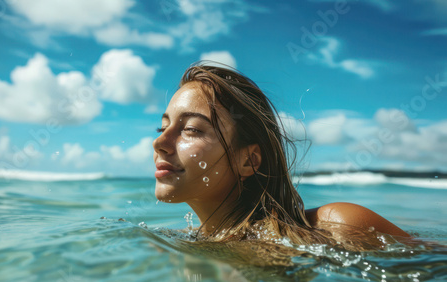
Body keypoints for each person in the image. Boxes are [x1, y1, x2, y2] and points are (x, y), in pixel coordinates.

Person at [152, 62, 410, 250]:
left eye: (191, 130)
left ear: (249, 160)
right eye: (162, 128)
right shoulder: (182, 245)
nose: (159, 142)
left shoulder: (336, 225)